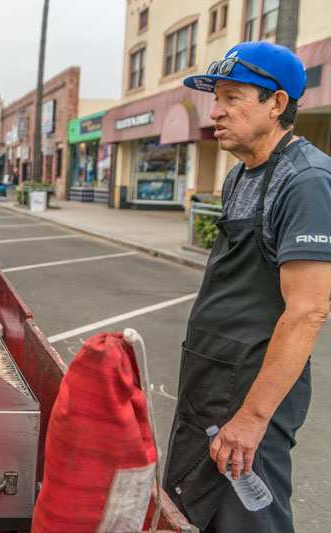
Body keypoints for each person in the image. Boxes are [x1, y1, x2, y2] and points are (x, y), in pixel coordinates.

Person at [165, 42, 331, 532]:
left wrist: (253, 418)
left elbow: (308, 311)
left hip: (250, 395)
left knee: (249, 522)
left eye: (233, 98)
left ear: (277, 104)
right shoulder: (239, 175)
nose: (215, 112)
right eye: (215, 98)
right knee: (193, 513)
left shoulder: (306, 182)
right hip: (209, 385)